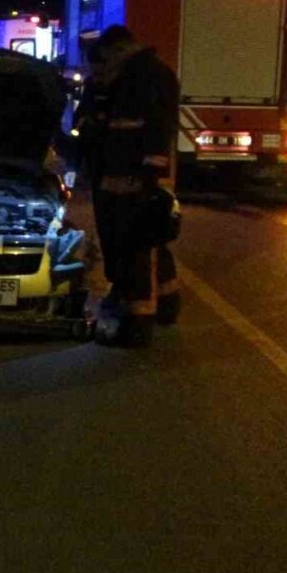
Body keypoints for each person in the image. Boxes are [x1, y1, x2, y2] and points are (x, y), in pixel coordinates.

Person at [79, 25, 180, 347]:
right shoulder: (131, 75)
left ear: (119, 50)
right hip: (123, 177)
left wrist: (150, 174)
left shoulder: (145, 75)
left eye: (108, 58)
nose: (105, 65)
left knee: (137, 251)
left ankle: (138, 324)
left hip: (137, 179)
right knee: (147, 245)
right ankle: (166, 305)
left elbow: (158, 126)